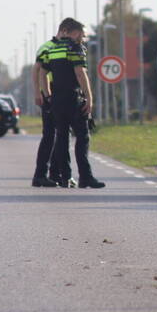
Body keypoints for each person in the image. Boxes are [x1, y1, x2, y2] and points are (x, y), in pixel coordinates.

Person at [41, 18, 105, 189]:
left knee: (62, 138)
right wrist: (89, 98)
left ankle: (65, 177)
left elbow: (42, 73)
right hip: (73, 99)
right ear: (68, 31)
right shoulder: (75, 49)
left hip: (57, 100)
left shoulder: (53, 49)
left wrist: (48, 96)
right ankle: (86, 177)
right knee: (82, 137)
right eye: (79, 33)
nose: (82, 36)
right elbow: (80, 74)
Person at [31, 34, 68, 187]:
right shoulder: (48, 47)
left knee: (60, 134)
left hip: (58, 92)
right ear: (65, 31)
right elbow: (37, 70)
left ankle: (54, 173)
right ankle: (40, 174)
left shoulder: (64, 48)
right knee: (50, 135)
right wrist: (38, 92)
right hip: (50, 92)